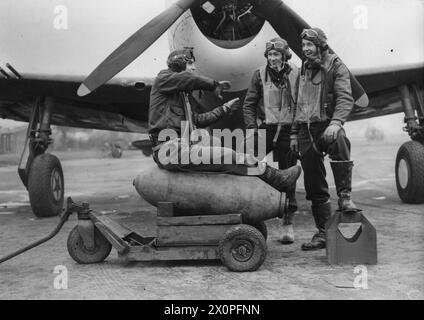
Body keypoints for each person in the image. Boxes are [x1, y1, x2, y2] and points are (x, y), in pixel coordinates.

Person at [148, 48, 301, 193]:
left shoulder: (183, 95)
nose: (194, 68)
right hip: (169, 149)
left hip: (182, 146)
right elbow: (187, 78)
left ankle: (232, 192)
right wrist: (213, 85)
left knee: (213, 142)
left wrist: (223, 109)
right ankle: (275, 178)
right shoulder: (163, 78)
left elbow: (197, 120)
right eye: (190, 63)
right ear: (178, 64)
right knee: (229, 155)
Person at [289, 28, 359, 251]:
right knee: (313, 182)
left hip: (327, 125)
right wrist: (293, 133)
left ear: (320, 45)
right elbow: (297, 104)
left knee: (339, 140)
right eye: (304, 46)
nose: (306, 50)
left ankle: (345, 197)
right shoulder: (303, 69)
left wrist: (336, 122)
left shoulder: (336, 65)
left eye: (310, 45)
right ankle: (322, 233)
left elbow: (345, 97)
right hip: (305, 130)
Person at [243, 37, 299, 243]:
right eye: (270, 55)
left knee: (288, 176)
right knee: (249, 168)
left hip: (288, 132)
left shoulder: (297, 73)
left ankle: (288, 223)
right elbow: (248, 104)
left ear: (284, 56)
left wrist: (298, 132)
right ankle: (250, 219)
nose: (273, 58)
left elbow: (302, 102)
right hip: (265, 129)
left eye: (276, 54)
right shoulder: (259, 74)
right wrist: (251, 129)